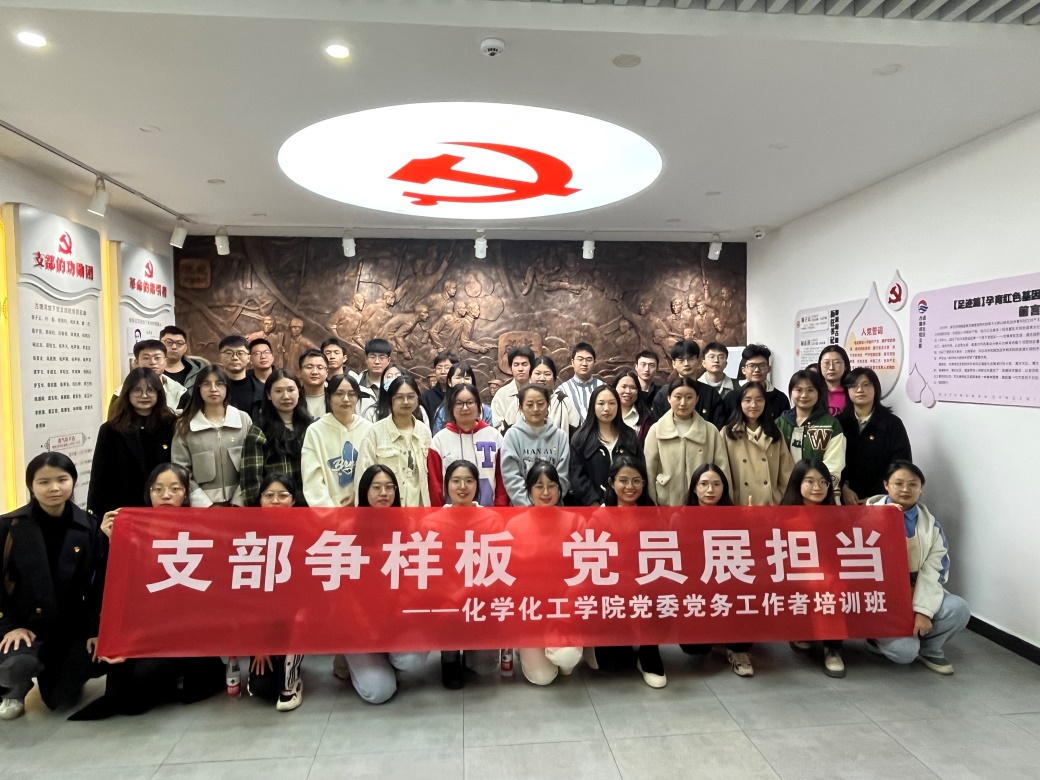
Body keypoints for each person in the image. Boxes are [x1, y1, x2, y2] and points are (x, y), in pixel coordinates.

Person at [70, 464, 225, 720]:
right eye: (158, 489)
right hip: (143, 626)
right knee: (120, 689)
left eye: (175, 489)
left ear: (185, 494)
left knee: (136, 697)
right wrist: (114, 540)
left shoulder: (200, 528)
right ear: (148, 493)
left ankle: (182, 675)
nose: (166, 495)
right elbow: (113, 586)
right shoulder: (135, 528)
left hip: (186, 629)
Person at [0, 454, 107, 721]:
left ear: (73, 481)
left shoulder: (89, 526)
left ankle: (58, 676)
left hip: (69, 627)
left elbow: (98, 586)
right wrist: (10, 626)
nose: (54, 488)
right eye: (44, 482)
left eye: (62, 480)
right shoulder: (8, 527)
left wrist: (94, 630)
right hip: (24, 624)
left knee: (62, 699)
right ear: (31, 485)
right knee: (16, 664)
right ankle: (15, 689)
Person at [865, 461, 970, 674]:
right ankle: (876, 639)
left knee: (958, 609)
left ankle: (930, 649)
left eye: (913, 484)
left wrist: (923, 611)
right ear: (886, 485)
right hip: (881, 598)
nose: (906, 489)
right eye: (899, 483)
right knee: (904, 653)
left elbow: (935, 571)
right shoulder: (863, 517)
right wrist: (883, 519)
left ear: (920, 488)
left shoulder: (931, 527)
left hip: (915, 591)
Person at [338, 465, 429, 703]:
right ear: (364, 491)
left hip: (395, 621)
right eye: (376, 487)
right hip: (360, 626)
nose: (384, 493)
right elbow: (342, 590)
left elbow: (414, 579)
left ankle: (387, 660)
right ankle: (352, 660)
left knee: (414, 658)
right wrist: (365, 625)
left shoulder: (408, 525)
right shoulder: (347, 530)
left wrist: (396, 618)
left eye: (389, 487)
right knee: (379, 692)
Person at [589, 454, 667, 688]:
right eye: (623, 480)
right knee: (610, 663)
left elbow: (661, 556)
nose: (630, 487)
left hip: (644, 584)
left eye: (636, 480)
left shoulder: (652, 513)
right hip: (610, 588)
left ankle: (649, 652)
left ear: (644, 483)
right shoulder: (600, 516)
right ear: (612, 483)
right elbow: (591, 561)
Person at [679, 464, 755, 677]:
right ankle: (716, 634)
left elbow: (749, 555)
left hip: (730, 581)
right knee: (695, 648)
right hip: (697, 585)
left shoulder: (736, 516)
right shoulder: (680, 517)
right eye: (703, 484)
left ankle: (739, 650)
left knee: (745, 593)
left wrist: (752, 523)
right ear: (694, 488)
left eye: (716, 484)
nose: (710, 490)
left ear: (724, 487)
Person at [432, 460, 502, 688]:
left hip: (480, 599)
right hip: (445, 602)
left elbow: (494, 570)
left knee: (485, 665)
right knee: (447, 613)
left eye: (469, 481)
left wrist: (463, 594)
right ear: (446, 485)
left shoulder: (491, 520)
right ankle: (449, 656)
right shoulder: (431, 522)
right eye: (456, 481)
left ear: (477, 486)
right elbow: (430, 572)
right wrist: (450, 597)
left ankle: (471, 651)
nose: (462, 487)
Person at [513, 461, 583, 685]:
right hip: (531, 610)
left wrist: (567, 607)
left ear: (559, 489)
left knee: (567, 657)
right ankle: (524, 646)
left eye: (551, 485)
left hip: (564, 609)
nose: (546, 492)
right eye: (539, 486)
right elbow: (509, 577)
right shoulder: (514, 525)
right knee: (542, 677)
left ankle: (560, 652)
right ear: (529, 490)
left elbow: (586, 572)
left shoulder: (576, 522)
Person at [781, 459, 845, 678]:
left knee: (830, 584)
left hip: (830, 575)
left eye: (822, 481)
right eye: (809, 481)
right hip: (793, 573)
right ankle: (805, 632)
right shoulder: (783, 515)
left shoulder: (838, 516)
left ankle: (833, 648)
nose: (817, 487)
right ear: (797, 483)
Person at [246, 474, 305, 711]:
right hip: (261, 621)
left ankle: (292, 678)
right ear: (260, 500)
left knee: (303, 617)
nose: (275, 501)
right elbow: (243, 595)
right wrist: (258, 643)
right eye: (269, 495)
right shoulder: (248, 537)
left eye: (283, 495)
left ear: (293, 500)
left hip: (294, 617)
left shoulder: (305, 531)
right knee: (263, 689)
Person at [88, 367, 175, 519]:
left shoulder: (171, 424)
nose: (144, 395)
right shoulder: (111, 429)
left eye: (150, 390)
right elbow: (99, 476)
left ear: (159, 393)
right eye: (137, 390)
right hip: (124, 508)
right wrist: (94, 515)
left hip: (165, 505)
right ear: (127, 393)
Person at [644, 378, 731, 507]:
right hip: (667, 501)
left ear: (697, 399)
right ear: (669, 398)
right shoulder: (656, 430)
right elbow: (649, 470)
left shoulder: (710, 430)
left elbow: (722, 469)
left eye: (689, 397)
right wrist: (652, 503)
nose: (683, 403)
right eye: (678, 397)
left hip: (702, 504)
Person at [172, 365, 251, 506]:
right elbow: (181, 470)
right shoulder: (185, 425)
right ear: (198, 389)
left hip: (240, 504)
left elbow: (252, 465)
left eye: (219, 384)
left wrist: (238, 502)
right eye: (206, 384)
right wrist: (206, 505)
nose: (213, 389)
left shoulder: (243, 419)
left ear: (227, 388)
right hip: (201, 507)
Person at [838, 367, 913, 505]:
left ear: (875, 388)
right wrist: (843, 488)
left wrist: (878, 496)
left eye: (866, 385)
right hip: (845, 499)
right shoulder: (839, 423)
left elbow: (901, 464)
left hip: (883, 499)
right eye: (853, 386)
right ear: (847, 391)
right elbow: (833, 462)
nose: (860, 390)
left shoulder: (892, 424)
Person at [356, 375, 432, 507]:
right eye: (400, 397)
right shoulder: (375, 433)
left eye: (411, 396)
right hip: (385, 511)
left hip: (419, 511)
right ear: (391, 399)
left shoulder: (424, 432)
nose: (406, 402)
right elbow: (362, 478)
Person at [240, 370, 313, 506]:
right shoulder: (258, 431)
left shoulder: (311, 427)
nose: (286, 396)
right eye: (278, 391)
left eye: (291, 390)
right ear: (269, 395)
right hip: (274, 507)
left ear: (299, 392)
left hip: (309, 506)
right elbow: (251, 483)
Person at [428, 383, 508, 507]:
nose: (465, 408)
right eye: (459, 403)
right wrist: (439, 512)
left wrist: (500, 509)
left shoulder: (494, 436)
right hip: (450, 513)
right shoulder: (439, 440)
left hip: (489, 513)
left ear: (478, 405)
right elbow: (435, 484)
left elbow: (501, 478)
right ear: (450, 406)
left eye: (470, 402)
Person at [301, 374, 373, 507]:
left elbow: (374, 471)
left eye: (351, 394)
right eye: (339, 394)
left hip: (363, 507)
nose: (345, 399)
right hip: (328, 511)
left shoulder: (369, 429)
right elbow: (312, 480)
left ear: (358, 398)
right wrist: (331, 511)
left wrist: (360, 495)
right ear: (329, 398)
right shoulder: (315, 431)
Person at [723, 382, 795, 507]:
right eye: (747, 400)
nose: (753, 405)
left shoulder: (774, 433)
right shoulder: (728, 433)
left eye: (759, 400)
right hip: (741, 504)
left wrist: (784, 502)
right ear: (740, 403)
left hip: (772, 505)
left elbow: (786, 473)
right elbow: (723, 473)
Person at [568, 385, 642, 506]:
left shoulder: (629, 435)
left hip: (626, 504)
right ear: (593, 406)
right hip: (591, 508)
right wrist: (594, 503)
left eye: (612, 403)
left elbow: (640, 470)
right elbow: (577, 477)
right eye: (601, 403)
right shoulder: (580, 439)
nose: (607, 409)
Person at [776, 371, 846, 497]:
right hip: (787, 493)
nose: (804, 395)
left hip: (820, 493)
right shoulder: (779, 423)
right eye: (798, 390)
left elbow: (834, 464)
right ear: (791, 392)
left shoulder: (830, 424)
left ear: (819, 392)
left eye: (810, 390)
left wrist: (815, 486)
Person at [501, 384, 571, 506]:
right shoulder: (512, 436)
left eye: (540, 404)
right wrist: (530, 505)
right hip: (522, 510)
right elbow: (511, 477)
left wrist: (549, 502)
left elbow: (563, 476)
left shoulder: (560, 436)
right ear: (521, 407)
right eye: (529, 405)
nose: (535, 409)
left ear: (548, 405)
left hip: (554, 508)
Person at [651, 340, 727, 428]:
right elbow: (657, 426)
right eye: (681, 360)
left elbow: (718, 427)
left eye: (690, 359)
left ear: (698, 362)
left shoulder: (711, 394)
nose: (686, 364)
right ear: (674, 364)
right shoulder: (663, 394)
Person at [108, 339, 187, 416]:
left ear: (165, 362)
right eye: (146, 358)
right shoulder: (121, 393)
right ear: (136, 362)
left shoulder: (179, 392)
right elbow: (113, 421)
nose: (153, 362)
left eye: (157, 358)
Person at [725, 344, 790, 423]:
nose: (757, 370)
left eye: (762, 365)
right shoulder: (732, 397)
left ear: (769, 369)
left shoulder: (780, 399)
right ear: (743, 370)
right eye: (752, 366)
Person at [431, 361, 493, 434]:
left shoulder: (485, 411)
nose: (463, 381)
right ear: (449, 382)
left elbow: (490, 435)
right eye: (458, 378)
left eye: (467, 378)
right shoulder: (442, 412)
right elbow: (438, 437)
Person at [529, 356, 581, 436]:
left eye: (547, 374)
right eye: (537, 374)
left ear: (554, 379)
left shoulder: (562, 401)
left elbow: (576, 434)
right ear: (530, 378)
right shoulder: (520, 401)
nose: (542, 378)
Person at [558, 342, 604, 424]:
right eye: (580, 359)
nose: (584, 363)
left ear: (594, 362)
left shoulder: (603, 387)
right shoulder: (562, 390)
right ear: (572, 362)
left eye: (589, 360)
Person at [491, 345, 534, 431]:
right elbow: (496, 426)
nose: (520, 369)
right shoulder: (501, 395)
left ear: (531, 367)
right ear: (511, 368)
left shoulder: (539, 392)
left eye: (524, 364)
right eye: (516, 365)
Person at [219, 335, 264, 416]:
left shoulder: (262, 389)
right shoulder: (212, 388)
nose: (235, 358)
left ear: (249, 358)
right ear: (220, 357)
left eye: (240, 353)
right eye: (229, 353)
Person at [160, 325, 207, 394]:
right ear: (159, 344)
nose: (174, 347)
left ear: (185, 348)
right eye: (169, 342)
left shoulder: (199, 371)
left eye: (179, 343)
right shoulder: (150, 370)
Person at [612, 369, 654, 444]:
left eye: (633, 388)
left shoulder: (646, 419)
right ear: (614, 388)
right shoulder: (606, 413)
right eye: (624, 387)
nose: (628, 391)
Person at [420, 351, 458, 422]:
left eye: (447, 368)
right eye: (439, 368)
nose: (443, 371)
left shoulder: (460, 394)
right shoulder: (427, 397)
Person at [818, 345, 851, 417]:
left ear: (845, 366)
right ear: (820, 366)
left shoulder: (852, 392)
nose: (831, 368)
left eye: (837, 362)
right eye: (826, 363)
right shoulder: (814, 392)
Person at [299, 348, 330, 419]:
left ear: (327, 373)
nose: (315, 372)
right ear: (300, 372)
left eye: (320, 367)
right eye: (309, 367)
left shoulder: (334, 397)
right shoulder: (294, 398)